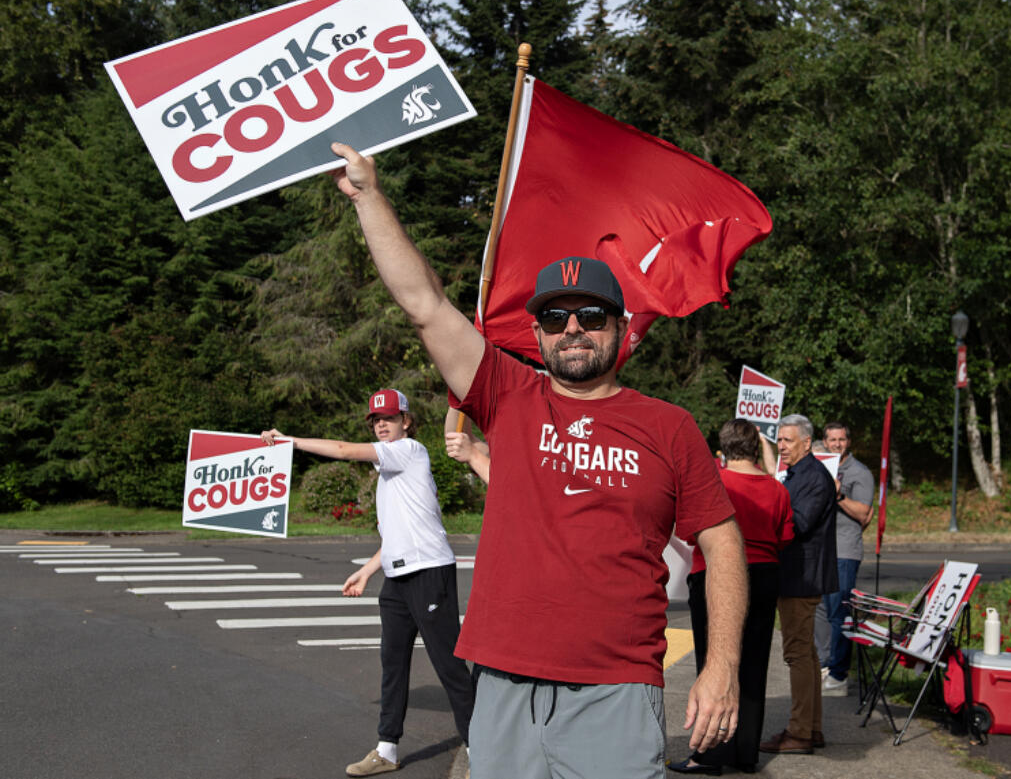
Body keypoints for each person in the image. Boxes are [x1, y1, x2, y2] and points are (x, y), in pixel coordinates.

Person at [329, 142, 749, 779]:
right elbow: (424, 304)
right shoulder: (510, 395)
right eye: (555, 317)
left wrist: (720, 669)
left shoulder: (669, 426)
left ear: (617, 325)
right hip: (502, 685)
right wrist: (369, 198)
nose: (572, 327)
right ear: (539, 332)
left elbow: (723, 544)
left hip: (617, 689)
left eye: (590, 315)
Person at [260, 389, 474, 777]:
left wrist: (288, 441)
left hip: (428, 572)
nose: (381, 425)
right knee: (392, 664)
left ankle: (482, 750)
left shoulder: (409, 452)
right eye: (376, 420)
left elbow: (343, 450)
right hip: (397, 577)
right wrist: (367, 570)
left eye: (388, 418)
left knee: (449, 666)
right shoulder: (388, 473)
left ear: (406, 421)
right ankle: (387, 749)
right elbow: (399, 532)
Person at [670, 420, 794, 775]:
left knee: (713, 664)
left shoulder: (714, 483)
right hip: (765, 574)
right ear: (756, 447)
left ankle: (709, 755)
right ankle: (745, 752)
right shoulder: (776, 489)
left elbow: (690, 532)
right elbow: (785, 537)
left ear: (723, 448)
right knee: (753, 665)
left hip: (715, 574)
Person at [760, 414, 838, 756]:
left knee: (797, 654)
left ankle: (800, 731)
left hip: (801, 578)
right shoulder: (798, 473)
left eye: (788, 441)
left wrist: (768, 509)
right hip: (796, 575)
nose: (782, 447)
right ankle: (811, 728)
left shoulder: (814, 477)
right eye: (780, 441)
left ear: (807, 443)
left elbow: (799, 522)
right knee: (805, 653)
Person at [818, 422, 874, 698]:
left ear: (848, 442)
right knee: (821, 612)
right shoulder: (820, 466)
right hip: (820, 552)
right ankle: (825, 666)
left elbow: (864, 514)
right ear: (824, 442)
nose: (837, 444)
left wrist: (838, 493)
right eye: (832, 439)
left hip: (844, 552)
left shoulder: (859, 473)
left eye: (841, 439)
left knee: (840, 613)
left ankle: (840, 676)